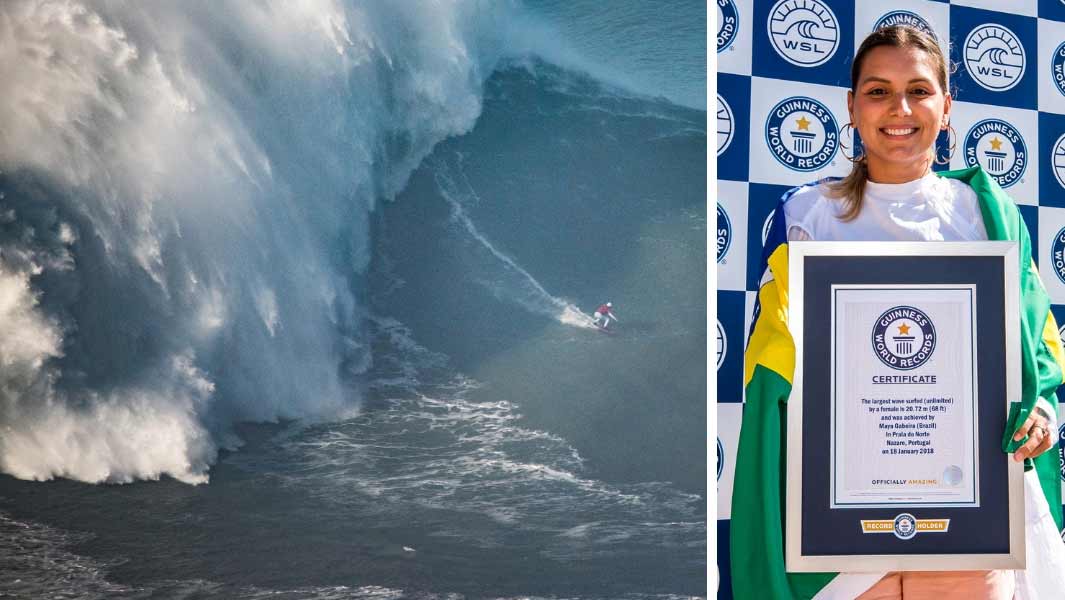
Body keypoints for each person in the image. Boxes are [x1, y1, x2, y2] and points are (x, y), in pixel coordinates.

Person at [731, 25, 1065, 600]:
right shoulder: (807, 216)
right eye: (879, 91)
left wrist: (1039, 409)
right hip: (838, 538)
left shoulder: (987, 215)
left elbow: (1036, 345)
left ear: (947, 105)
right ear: (852, 108)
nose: (900, 108)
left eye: (919, 89)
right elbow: (773, 366)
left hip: (966, 525)